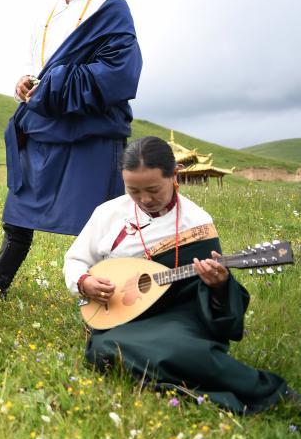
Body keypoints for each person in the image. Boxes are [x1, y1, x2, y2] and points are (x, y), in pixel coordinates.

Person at [0, 0, 142, 297]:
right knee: (20, 205)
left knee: (100, 214)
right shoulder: (45, 16)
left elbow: (121, 69)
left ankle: (112, 287)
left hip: (90, 125)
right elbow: (35, 67)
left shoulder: (110, 6)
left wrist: (56, 82)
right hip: (44, 124)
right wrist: (24, 82)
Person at [64, 137, 293, 413]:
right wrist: (84, 282)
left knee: (181, 351)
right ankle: (187, 384)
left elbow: (210, 300)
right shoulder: (108, 213)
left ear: (175, 175)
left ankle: (269, 392)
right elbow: (76, 260)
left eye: (153, 189)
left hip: (178, 318)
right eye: (133, 190)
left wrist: (219, 285)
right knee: (106, 348)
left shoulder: (197, 223)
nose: (144, 199)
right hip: (120, 317)